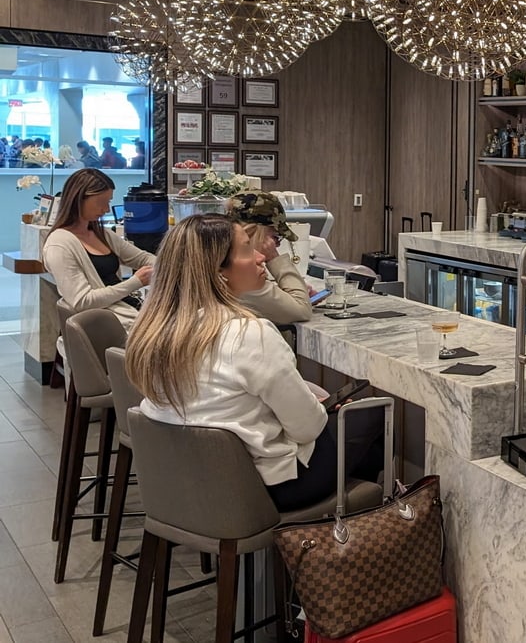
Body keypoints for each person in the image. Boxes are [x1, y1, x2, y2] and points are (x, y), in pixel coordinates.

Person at [126, 214, 383, 511]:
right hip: (258, 489)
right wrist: (313, 406)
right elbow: (308, 429)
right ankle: (335, 543)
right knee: (368, 416)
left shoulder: (151, 331)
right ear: (218, 271)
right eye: (248, 249)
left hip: (181, 483)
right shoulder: (250, 334)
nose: (261, 256)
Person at [41, 168, 155, 328]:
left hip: (127, 312)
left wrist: (165, 266)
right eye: (101, 202)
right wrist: (135, 282)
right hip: (107, 326)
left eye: (108, 202)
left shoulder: (104, 235)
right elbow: (83, 301)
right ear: (79, 199)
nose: (106, 209)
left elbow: (142, 258)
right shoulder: (59, 245)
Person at [224, 192, 312, 324]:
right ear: (254, 232)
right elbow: (301, 310)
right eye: (275, 236)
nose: (277, 244)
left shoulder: (221, 256)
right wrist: (273, 257)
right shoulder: (242, 275)